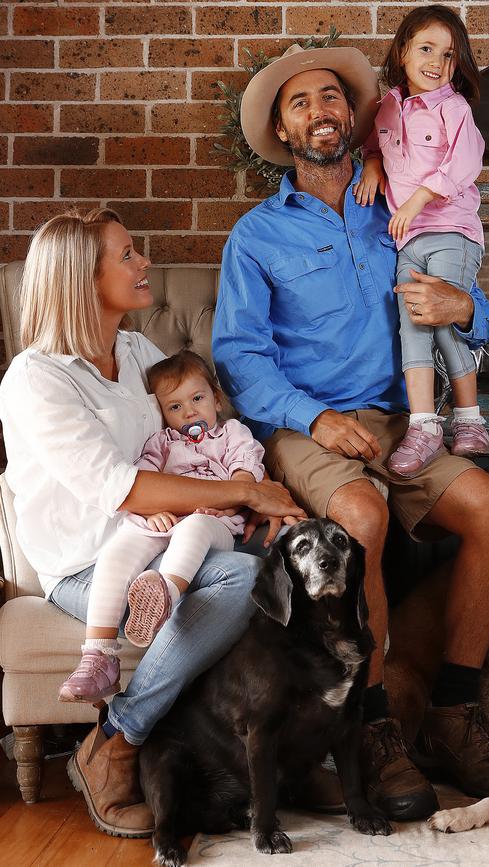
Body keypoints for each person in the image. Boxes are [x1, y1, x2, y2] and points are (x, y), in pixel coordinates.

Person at [214, 44, 489, 821]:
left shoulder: (402, 205)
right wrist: (315, 417)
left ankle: (452, 714)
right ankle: (375, 727)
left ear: (354, 116)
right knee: (361, 518)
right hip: (305, 424)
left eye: (331, 97)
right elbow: (240, 357)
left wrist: (467, 311)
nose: (321, 110)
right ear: (283, 131)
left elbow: (466, 303)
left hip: (402, 420)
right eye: (300, 103)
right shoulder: (256, 236)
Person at [0, 209, 305, 838]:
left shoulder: (137, 349)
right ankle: (114, 743)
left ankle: (271, 759)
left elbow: (192, 436)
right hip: (88, 562)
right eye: (129, 255)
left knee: (262, 571)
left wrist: (254, 501)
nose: (145, 265)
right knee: (238, 583)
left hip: (165, 536)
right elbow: (124, 486)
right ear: (83, 279)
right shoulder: (36, 379)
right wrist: (245, 491)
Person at [58, 349, 266, 704]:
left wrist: (222, 501)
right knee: (120, 549)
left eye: (197, 399)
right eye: (175, 407)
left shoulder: (233, 434)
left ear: (216, 398)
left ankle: (164, 595)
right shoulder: (162, 443)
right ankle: (98, 657)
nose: (189, 412)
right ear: (163, 413)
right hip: (165, 519)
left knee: (194, 526)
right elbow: (143, 479)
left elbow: (244, 480)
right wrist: (153, 511)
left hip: (212, 523)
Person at [355, 5, 489, 471]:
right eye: (427, 49)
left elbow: (467, 160)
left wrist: (415, 201)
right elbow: (376, 145)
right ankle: (424, 425)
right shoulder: (388, 105)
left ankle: (470, 421)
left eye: (449, 55)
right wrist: (372, 165)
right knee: (411, 327)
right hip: (407, 239)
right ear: (403, 52)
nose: (437, 62)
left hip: (450, 230)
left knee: (441, 319)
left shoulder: (454, 107)